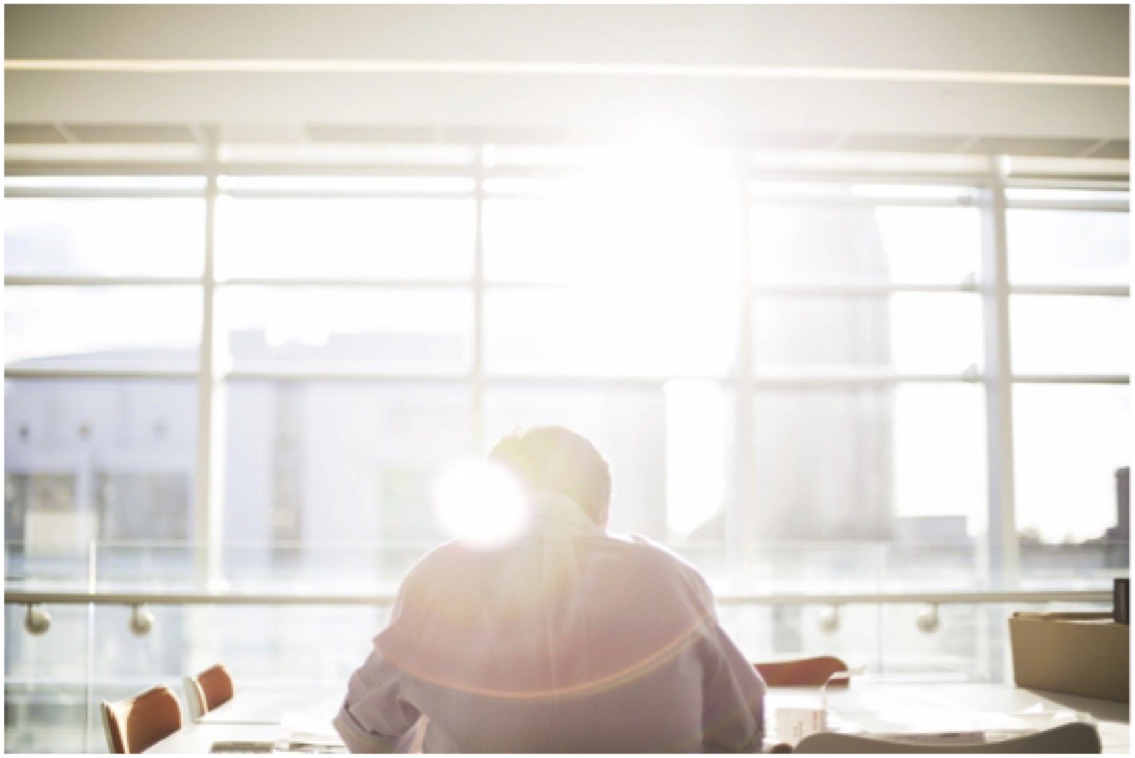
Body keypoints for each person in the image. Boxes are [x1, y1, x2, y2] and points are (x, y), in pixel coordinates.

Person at [334, 425, 766, 752]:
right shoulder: (673, 578)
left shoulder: (441, 575)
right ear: (603, 511)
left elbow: (364, 732)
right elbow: (743, 729)